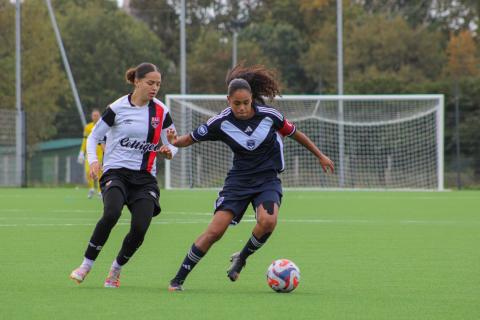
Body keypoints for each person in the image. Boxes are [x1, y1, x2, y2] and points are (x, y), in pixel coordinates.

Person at [166, 64, 334, 291]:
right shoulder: (221, 122)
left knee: (268, 221)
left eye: (246, 102)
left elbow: (296, 134)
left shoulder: (270, 116)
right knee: (215, 231)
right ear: (228, 100)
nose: (243, 108)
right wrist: (175, 142)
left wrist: (320, 155)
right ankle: (177, 280)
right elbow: (191, 138)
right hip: (238, 182)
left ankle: (242, 257)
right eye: (237, 104)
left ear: (252, 98)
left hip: (267, 180)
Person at [69, 62, 177, 288]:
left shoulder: (161, 111)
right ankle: (86, 265)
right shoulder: (117, 108)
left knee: (140, 228)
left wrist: (169, 151)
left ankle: (115, 270)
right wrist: (94, 160)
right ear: (137, 82)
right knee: (111, 213)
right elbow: (93, 138)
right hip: (115, 172)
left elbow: (172, 143)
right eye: (150, 83)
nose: (155, 87)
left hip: (145, 178)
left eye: (158, 84)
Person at [78, 109, 104, 198]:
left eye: (97, 115)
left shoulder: (103, 126)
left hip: (100, 153)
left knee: (100, 172)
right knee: (88, 171)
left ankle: (100, 191)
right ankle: (91, 189)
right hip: (90, 153)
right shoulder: (88, 127)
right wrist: (81, 152)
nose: (95, 117)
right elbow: (85, 140)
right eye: (94, 115)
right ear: (91, 116)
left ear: (100, 116)